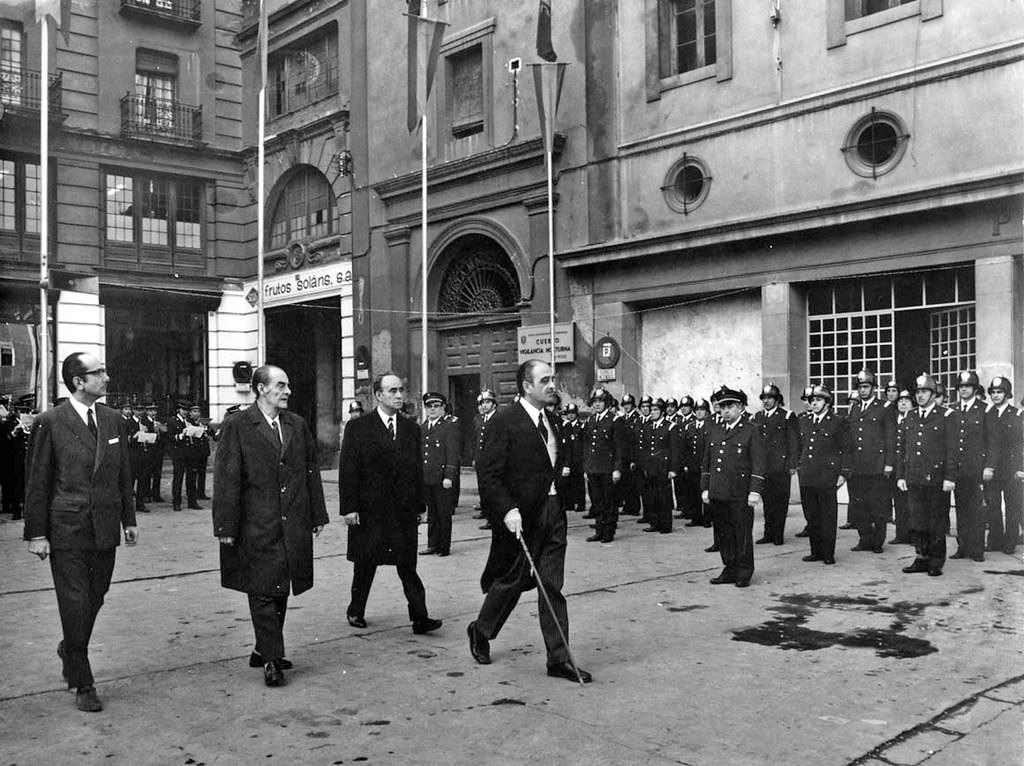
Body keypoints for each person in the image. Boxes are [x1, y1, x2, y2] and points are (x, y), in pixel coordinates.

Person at [23, 352, 138, 712]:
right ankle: (82, 680)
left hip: (104, 526)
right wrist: (36, 534)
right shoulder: (51, 422)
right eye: (98, 373)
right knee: (75, 601)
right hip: (67, 527)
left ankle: (69, 647)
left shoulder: (113, 420)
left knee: (96, 594)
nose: (106, 377)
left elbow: (124, 476)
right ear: (77, 382)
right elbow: (37, 482)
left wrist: (129, 520)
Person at [468, 360, 592, 683]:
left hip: (553, 514)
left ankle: (559, 659)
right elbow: (489, 472)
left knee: (551, 585)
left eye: (553, 379)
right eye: (545, 380)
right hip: (522, 517)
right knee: (513, 580)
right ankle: (481, 630)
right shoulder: (504, 420)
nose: (552, 385)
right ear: (526, 385)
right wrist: (507, 509)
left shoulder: (552, 420)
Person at [213, 365, 328, 687]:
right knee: (262, 588)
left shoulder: (296, 424)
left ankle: (263, 648)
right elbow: (226, 478)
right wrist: (225, 525)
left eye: (288, 385)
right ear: (261, 389)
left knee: (280, 587)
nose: (288, 391)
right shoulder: (238, 424)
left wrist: (318, 514)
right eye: (281, 385)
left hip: (292, 520)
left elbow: (310, 471)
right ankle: (272, 659)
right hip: (255, 523)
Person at [339, 373, 442, 634]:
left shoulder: (410, 428)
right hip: (370, 510)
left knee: (408, 565)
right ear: (378, 395)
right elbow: (348, 470)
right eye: (392, 391)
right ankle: (355, 610)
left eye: (401, 390)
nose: (399, 395)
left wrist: (420, 505)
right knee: (366, 563)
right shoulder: (359, 427)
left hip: (402, 511)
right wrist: (349, 508)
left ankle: (420, 617)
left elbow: (416, 469)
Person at [700, 387, 765, 587]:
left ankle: (744, 570)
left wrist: (755, 491)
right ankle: (729, 568)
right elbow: (707, 462)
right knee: (724, 533)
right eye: (722, 407)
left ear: (741, 408)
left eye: (730, 406)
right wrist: (705, 488)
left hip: (740, 492)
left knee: (741, 533)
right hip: (718, 491)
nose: (725, 410)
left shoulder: (750, 430)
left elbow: (758, 463)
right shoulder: (716, 430)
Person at [897, 373, 957, 576]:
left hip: (937, 479)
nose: (920, 396)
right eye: (918, 392)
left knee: (936, 521)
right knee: (917, 521)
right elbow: (903, 449)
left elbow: (952, 450)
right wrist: (901, 475)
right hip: (914, 477)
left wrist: (950, 477)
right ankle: (921, 557)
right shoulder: (910, 416)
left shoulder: (946, 415)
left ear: (933, 394)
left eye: (925, 392)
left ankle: (936, 561)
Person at [796, 384, 848, 566]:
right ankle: (815, 551)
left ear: (827, 402)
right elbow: (799, 446)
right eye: (812, 400)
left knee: (827, 515)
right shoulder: (804, 421)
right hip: (808, 475)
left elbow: (846, 449)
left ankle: (828, 553)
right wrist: (798, 465)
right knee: (812, 515)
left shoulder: (837, 422)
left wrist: (843, 473)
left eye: (818, 400)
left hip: (827, 475)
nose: (814, 403)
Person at [845, 370, 896, 554]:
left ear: (874, 388)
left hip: (877, 465)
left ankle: (877, 542)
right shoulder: (856, 408)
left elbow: (891, 437)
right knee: (859, 506)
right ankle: (864, 538)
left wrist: (889, 463)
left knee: (878, 506)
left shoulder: (885, 407)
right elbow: (851, 439)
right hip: (858, 466)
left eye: (866, 387)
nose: (863, 390)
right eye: (860, 387)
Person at [752, 383, 799, 546]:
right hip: (763, 467)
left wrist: (792, 464)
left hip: (781, 466)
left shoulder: (787, 416)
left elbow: (794, 442)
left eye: (770, 398)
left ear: (777, 400)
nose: (766, 401)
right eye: (764, 398)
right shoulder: (756, 417)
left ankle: (778, 534)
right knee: (767, 502)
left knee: (780, 502)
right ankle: (768, 533)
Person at [950, 371, 988, 562]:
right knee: (961, 509)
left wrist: (988, 467)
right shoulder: (953, 409)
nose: (964, 390)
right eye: (961, 387)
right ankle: (962, 547)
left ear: (974, 389)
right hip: (958, 469)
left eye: (968, 386)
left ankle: (977, 548)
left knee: (977, 510)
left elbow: (990, 441)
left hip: (976, 468)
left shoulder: (984, 409)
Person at [982, 376, 1022, 555]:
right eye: (993, 392)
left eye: (1000, 392)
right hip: (992, 469)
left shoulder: (1017, 415)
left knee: (1012, 505)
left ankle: (1010, 541)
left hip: (1012, 469)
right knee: (993, 505)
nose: (996, 395)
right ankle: (995, 540)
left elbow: (1022, 444)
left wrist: (1021, 468)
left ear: (1007, 394)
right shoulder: (988, 414)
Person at [582, 388, 626, 542]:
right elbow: (587, 446)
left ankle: (609, 532)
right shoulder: (590, 420)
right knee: (597, 501)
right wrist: (586, 467)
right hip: (594, 468)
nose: (597, 405)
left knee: (609, 502)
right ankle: (599, 530)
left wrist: (617, 469)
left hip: (608, 468)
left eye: (600, 401)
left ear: (606, 403)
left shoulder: (615, 420)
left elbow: (619, 448)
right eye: (595, 402)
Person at [421, 391, 460, 557]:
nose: (432, 409)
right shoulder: (423, 427)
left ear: (443, 408)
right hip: (428, 477)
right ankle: (432, 544)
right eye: (429, 406)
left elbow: (452, 453)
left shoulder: (449, 426)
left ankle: (444, 546)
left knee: (443, 513)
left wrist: (449, 476)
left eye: (436, 406)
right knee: (432, 513)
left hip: (443, 478)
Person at [890, 389, 915, 545]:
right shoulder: (892, 420)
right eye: (900, 400)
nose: (903, 403)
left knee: (913, 503)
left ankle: (914, 535)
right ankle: (901, 534)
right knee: (899, 502)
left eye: (907, 400)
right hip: (896, 466)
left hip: (911, 467)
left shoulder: (915, 418)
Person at [167, 399, 201, 511]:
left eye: (187, 410)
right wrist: (181, 435)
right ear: (179, 410)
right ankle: (176, 503)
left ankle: (192, 501)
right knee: (178, 478)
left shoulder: (190, 421)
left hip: (190, 453)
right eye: (183, 410)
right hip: (179, 453)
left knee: (191, 478)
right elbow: (170, 437)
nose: (185, 412)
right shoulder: (173, 421)